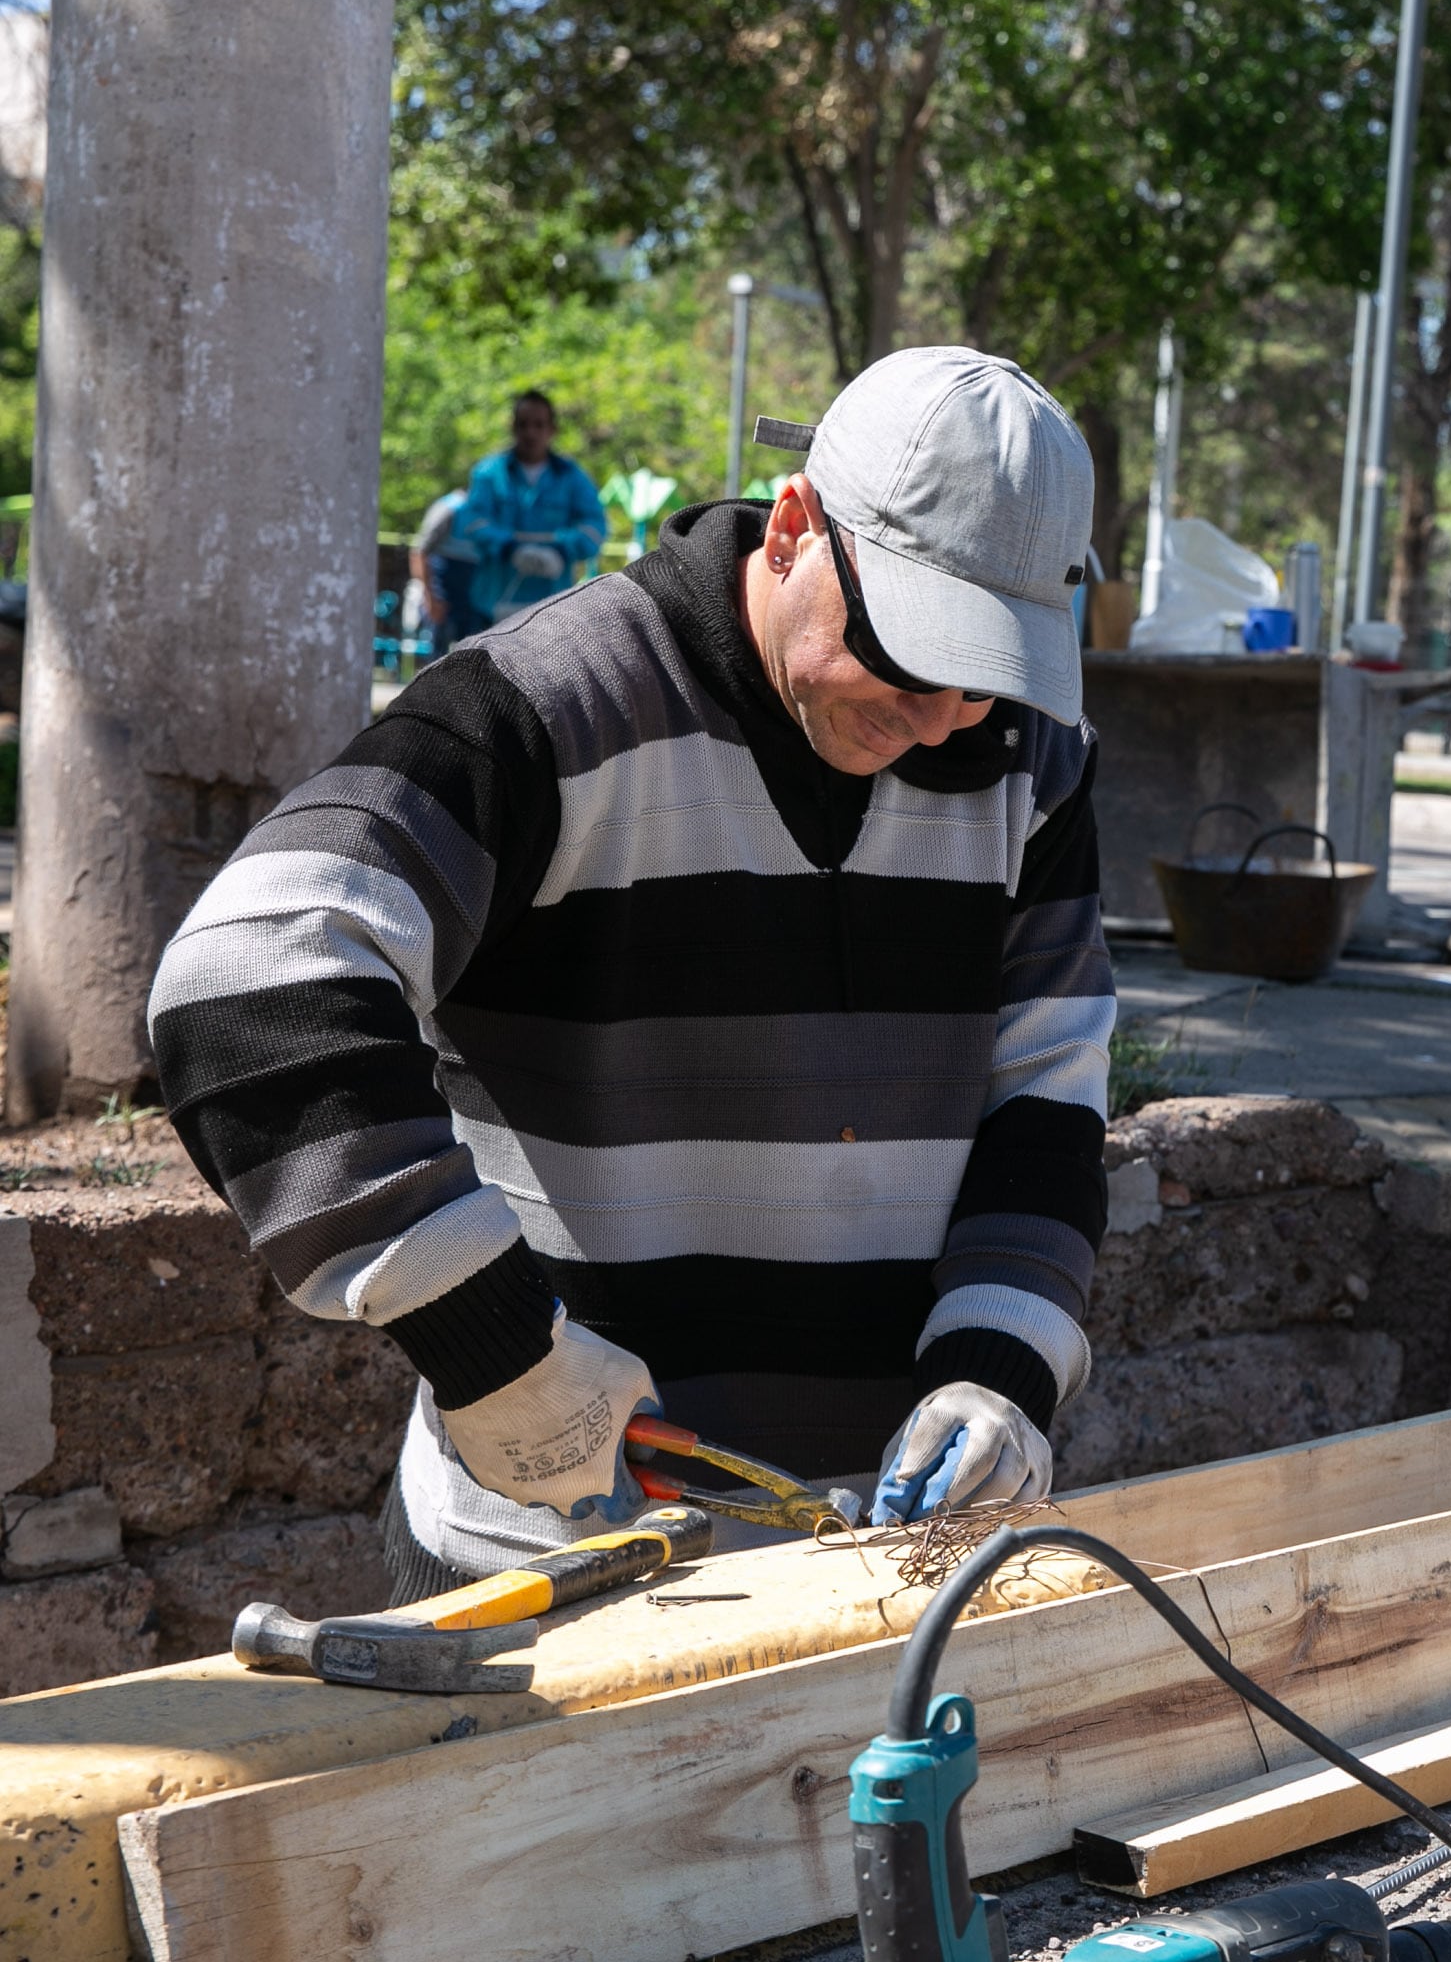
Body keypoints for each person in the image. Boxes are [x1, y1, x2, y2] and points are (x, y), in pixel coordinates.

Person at [152, 347, 1112, 1592]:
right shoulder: (549, 709)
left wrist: (1000, 1362)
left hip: (879, 1563)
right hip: (544, 1557)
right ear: (795, 530)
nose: (942, 719)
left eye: (987, 673)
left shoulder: (1032, 763)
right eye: (915, 656)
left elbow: (1044, 1091)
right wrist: (494, 1346)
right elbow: (249, 981)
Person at [456, 390, 609, 627]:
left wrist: (562, 550)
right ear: (513, 427)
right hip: (492, 607)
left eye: (539, 425)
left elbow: (595, 527)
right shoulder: (488, 474)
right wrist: (509, 548)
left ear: (552, 430)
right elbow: (471, 523)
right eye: (523, 424)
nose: (531, 432)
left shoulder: (572, 477)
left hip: (550, 610)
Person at [408, 487, 488, 653]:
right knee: (439, 652)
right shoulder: (450, 508)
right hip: (443, 593)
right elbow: (419, 552)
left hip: (471, 596)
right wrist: (430, 599)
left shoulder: (487, 512)